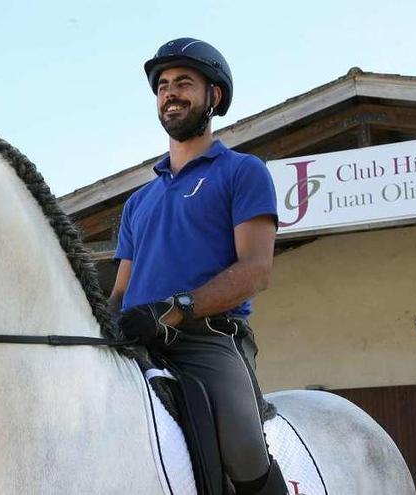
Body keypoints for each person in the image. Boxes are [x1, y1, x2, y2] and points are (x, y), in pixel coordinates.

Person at [109, 38, 287, 495]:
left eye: (184, 82)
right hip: (135, 340)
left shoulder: (241, 171)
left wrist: (174, 310)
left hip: (206, 339)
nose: (171, 92)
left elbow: (255, 270)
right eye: (163, 85)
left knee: (244, 449)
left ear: (215, 97)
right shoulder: (138, 201)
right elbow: (120, 290)